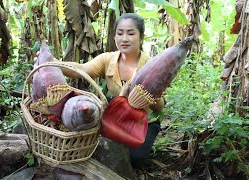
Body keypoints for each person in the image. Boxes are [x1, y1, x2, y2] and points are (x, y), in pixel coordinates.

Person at [36, 13, 165, 170]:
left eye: (131, 33)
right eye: (120, 33)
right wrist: (54, 63)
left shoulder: (152, 67)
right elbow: (81, 69)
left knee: (135, 158)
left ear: (141, 36)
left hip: (142, 122)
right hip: (115, 117)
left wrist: (151, 94)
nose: (124, 38)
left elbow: (159, 108)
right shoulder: (108, 59)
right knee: (98, 149)